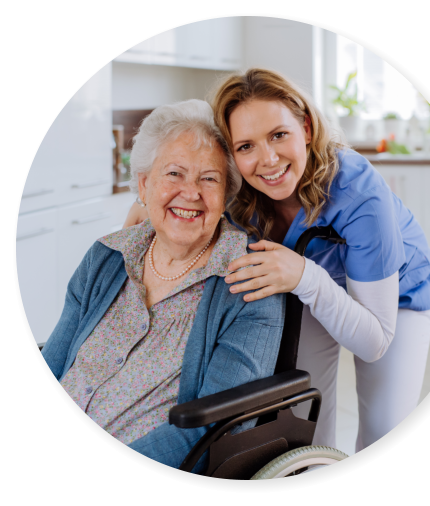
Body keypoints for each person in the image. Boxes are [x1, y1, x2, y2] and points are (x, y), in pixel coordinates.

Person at [124, 69, 430, 453]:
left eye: (278, 135)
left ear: (306, 128)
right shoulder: (238, 192)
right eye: (246, 146)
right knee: (304, 414)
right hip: (304, 284)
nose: (268, 160)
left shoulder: (359, 194)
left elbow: (374, 342)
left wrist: (306, 276)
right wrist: (148, 206)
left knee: (382, 426)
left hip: (395, 295)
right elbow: (186, 193)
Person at [41, 99, 285, 472]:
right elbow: (55, 361)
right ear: (144, 183)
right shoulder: (106, 257)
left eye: (209, 178)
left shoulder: (248, 282)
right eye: (174, 173)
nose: (191, 192)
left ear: (226, 197)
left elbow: (214, 428)